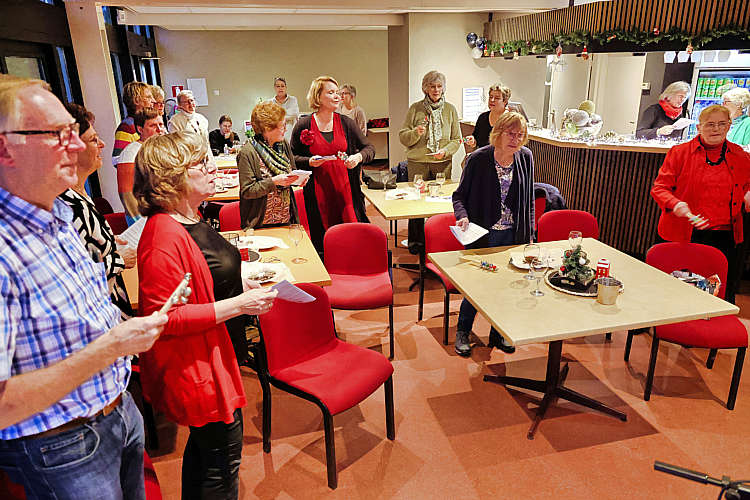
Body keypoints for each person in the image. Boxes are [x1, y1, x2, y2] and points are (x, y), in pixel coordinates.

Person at [0, 74, 166, 499]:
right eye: (58, 134)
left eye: (74, 132)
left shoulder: (56, 212)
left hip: (116, 409)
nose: (77, 146)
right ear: (5, 148)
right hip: (62, 443)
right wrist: (111, 347)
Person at [133, 131, 277, 499]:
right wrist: (240, 305)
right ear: (172, 178)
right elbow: (166, 318)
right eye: (200, 164)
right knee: (220, 464)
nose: (213, 168)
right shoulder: (163, 235)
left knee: (208, 456)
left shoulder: (188, 218)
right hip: (198, 367)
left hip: (214, 355)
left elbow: (206, 277)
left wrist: (238, 286)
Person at [452, 112, 535, 356]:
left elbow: (529, 198)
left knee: (506, 286)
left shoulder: (525, 157)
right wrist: (462, 216)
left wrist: (530, 233)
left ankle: (498, 332)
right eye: (511, 134)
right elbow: (459, 196)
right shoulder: (478, 159)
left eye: (520, 135)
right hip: (482, 235)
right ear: (498, 133)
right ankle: (463, 330)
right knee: (476, 287)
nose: (516, 140)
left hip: (513, 236)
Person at [651, 104, 750, 304]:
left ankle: (708, 319)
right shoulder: (679, 152)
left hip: (724, 236)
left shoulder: (741, 156)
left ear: (729, 126)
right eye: (710, 124)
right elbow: (659, 188)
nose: (716, 129)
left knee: (715, 292)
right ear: (699, 127)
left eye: (722, 124)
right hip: (682, 232)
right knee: (670, 289)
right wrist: (675, 204)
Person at [59, 103, 136, 320]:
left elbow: (88, 248)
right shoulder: (67, 204)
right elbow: (73, 274)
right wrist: (119, 260)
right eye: (94, 140)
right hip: (100, 313)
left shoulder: (80, 194)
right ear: (72, 148)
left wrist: (109, 241)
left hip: (112, 306)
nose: (102, 144)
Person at [291, 75, 375, 251]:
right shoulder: (303, 125)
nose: (337, 96)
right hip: (317, 193)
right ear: (317, 96)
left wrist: (358, 157)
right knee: (324, 241)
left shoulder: (346, 123)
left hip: (346, 191)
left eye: (338, 92)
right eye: (331, 92)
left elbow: (369, 148)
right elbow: (292, 158)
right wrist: (308, 161)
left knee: (351, 235)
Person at [399, 70, 461, 254]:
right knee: (416, 203)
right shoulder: (415, 108)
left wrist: (445, 151)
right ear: (425, 88)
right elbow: (403, 136)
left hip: (442, 164)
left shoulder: (450, 109)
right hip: (418, 163)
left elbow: (456, 139)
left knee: (441, 203)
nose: (436, 90)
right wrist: (415, 133)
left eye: (439, 86)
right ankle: (416, 244)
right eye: (432, 86)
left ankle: (440, 243)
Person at [238, 101, 301, 229]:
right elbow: (248, 191)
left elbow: (291, 171)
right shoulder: (247, 152)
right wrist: (274, 182)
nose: (285, 130)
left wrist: (297, 179)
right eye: (282, 126)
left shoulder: (283, 145)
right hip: (260, 223)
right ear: (267, 129)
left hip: (286, 219)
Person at [117, 107, 166, 223]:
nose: (159, 129)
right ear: (140, 129)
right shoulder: (131, 153)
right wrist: (141, 223)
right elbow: (127, 195)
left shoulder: (160, 149)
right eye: (153, 126)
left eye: (161, 124)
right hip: (143, 219)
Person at [113, 81, 155, 161]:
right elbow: (117, 159)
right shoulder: (126, 127)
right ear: (136, 101)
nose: (153, 101)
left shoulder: (146, 122)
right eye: (148, 97)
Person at [465, 83, 512, 151]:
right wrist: (472, 141)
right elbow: (476, 140)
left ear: (505, 101)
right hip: (483, 155)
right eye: (490, 97)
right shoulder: (482, 117)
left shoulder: (511, 120)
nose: (492, 100)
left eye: (497, 98)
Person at [266, 77, 299, 143]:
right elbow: (270, 118)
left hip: (291, 135)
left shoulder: (293, 100)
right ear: (275, 88)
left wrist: (277, 116)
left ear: (285, 87)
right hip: (276, 136)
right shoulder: (270, 102)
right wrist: (286, 115)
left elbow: (294, 114)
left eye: (282, 86)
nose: (280, 88)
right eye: (278, 86)